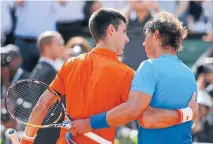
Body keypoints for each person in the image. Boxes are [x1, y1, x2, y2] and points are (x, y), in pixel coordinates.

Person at [20, 9, 198, 144]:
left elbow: (42, 105)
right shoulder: (127, 74)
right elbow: (146, 117)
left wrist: (26, 140)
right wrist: (186, 113)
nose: (128, 39)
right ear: (111, 30)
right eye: (124, 31)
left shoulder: (70, 65)